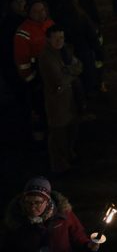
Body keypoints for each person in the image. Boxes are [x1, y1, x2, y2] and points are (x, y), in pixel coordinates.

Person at [2, 176, 99, 251]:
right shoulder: (16, 220)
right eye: (28, 202)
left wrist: (87, 244)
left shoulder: (63, 214)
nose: (32, 207)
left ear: (47, 201)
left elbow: (77, 234)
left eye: (38, 202)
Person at [38, 25, 82, 175]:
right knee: (58, 135)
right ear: (48, 39)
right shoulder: (46, 57)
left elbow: (79, 66)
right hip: (57, 103)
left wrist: (67, 73)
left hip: (70, 100)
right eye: (56, 38)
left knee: (71, 130)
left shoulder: (65, 51)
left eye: (61, 37)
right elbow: (58, 82)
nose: (59, 41)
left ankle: (69, 156)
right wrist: (71, 74)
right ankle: (59, 166)